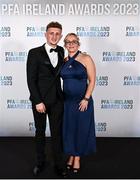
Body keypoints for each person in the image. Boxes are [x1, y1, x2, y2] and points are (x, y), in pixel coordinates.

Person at [26, 21, 67, 177]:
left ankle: (59, 164)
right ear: (46, 34)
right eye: (51, 33)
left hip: (57, 100)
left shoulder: (62, 51)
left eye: (57, 34)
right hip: (40, 101)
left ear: (60, 36)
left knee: (57, 134)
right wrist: (37, 101)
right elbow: (31, 79)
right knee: (40, 132)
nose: (54, 36)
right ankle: (40, 162)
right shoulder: (34, 53)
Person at [60, 33, 96, 173]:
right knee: (70, 130)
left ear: (78, 43)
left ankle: (77, 158)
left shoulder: (86, 58)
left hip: (82, 101)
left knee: (80, 130)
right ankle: (71, 154)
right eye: (68, 42)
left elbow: (92, 80)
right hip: (67, 102)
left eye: (74, 41)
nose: (71, 44)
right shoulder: (64, 60)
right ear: (65, 44)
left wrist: (86, 98)